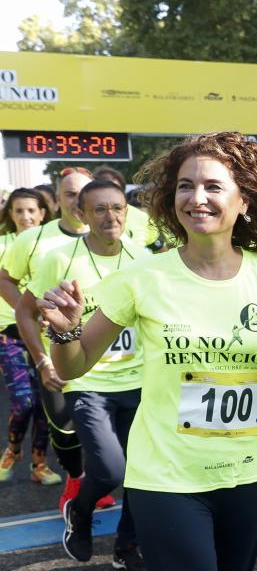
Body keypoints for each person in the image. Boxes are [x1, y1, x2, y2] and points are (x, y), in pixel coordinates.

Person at [39, 132, 257, 571]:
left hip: (248, 473)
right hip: (165, 475)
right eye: (185, 185)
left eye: (213, 187)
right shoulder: (141, 278)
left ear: (244, 202)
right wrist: (64, 334)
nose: (196, 198)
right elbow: (75, 364)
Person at [18, 179, 147, 567]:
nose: (111, 216)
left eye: (117, 208)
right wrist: (43, 360)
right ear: (81, 214)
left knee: (143, 475)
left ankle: (126, 547)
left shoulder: (144, 258)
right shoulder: (58, 259)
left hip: (140, 381)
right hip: (86, 380)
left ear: (127, 211)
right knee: (110, 470)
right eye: (100, 209)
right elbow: (27, 310)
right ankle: (81, 511)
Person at [2, 169, 103, 506]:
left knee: (108, 423)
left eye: (83, 193)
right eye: (70, 194)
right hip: (53, 347)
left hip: (106, 350)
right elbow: (5, 279)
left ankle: (97, 481)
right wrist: (31, 312)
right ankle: (76, 478)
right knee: (63, 421)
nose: (77, 201)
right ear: (57, 200)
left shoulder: (111, 235)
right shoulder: (32, 240)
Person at [0, 189, 53, 484]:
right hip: (9, 335)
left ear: (43, 213)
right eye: (19, 211)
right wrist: (27, 311)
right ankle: (13, 449)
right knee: (24, 402)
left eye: (31, 210)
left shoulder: (53, 246)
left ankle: (39, 464)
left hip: (46, 335)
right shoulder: (3, 244)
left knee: (46, 405)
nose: (26, 217)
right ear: (10, 215)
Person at [92, 165, 163, 252]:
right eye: (104, 192)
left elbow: (158, 247)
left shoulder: (141, 217)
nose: (111, 196)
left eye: (116, 190)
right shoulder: (84, 217)